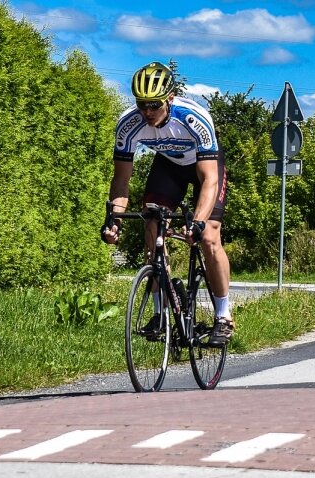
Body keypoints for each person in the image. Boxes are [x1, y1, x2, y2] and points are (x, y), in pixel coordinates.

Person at [101, 61, 234, 345]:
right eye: (142, 104)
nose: (147, 112)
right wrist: (114, 219)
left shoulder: (193, 118)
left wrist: (197, 223)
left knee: (209, 235)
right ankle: (160, 313)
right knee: (151, 223)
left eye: (154, 105)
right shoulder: (129, 124)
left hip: (204, 167)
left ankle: (223, 316)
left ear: (170, 98)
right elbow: (122, 180)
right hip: (169, 166)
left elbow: (210, 179)